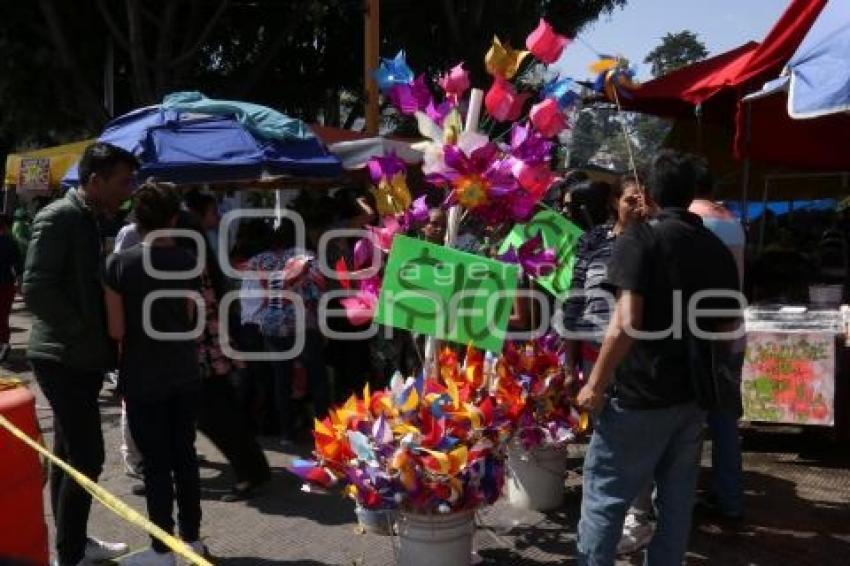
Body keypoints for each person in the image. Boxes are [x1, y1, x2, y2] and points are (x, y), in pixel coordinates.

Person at [575, 151, 740, 566]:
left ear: (647, 193)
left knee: (605, 498)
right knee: (676, 501)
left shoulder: (641, 238)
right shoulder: (713, 247)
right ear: (693, 195)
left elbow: (626, 321)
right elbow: (724, 325)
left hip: (639, 393)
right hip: (691, 395)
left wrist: (594, 383)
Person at [23, 142, 138, 566]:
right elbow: (35, 288)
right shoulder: (60, 217)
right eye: (123, 182)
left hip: (81, 356)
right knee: (87, 457)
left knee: (69, 457)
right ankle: (70, 554)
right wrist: (83, 330)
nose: (130, 189)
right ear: (94, 180)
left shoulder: (91, 219)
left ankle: (71, 545)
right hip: (62, 357)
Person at [104, 183, 207, 566]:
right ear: (173, 219)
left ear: (135, 218)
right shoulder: (187, 260)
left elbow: (116, 331)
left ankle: (162, 549)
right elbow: (193, 322)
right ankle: (193, 540)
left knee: (156, 466)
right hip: (183, 370)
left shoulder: (118, 265)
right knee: (186, 457)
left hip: (142, 374)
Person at [561, 175, 654, 555]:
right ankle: (608, 518)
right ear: (615, 201)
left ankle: (637, 516)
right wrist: (569, 363)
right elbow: (574, 297)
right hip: (592, 352)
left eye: (643, 200)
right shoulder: (594, 240)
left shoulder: (653, 240)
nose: (637, 206)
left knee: (638, 439)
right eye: (630, 199)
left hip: (638, 357)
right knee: (606, 437)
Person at [181, 193, 272, 502]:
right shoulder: (200, 259)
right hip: (208, 344)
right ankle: (254, 470)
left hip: (202, 348)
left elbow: (193, 310)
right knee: (217, 413)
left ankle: (252, 473)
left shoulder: (189, 265)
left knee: (215, 415)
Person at [689, 159, 746, 523]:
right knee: (726, 421)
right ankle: (731, 499)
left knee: (691, 421)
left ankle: (681, 497)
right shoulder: (731, 220)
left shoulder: (694, 219)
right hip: (734, 330)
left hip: (702, 336)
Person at [244, 219, 329, 449]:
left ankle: (287, 434)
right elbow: (318, 292)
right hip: (303, 325)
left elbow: (249, 301)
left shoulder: (258, 261)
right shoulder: (308, 259)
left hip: (272, 327)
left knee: (281, 379)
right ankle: (324, 431)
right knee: (317, 377)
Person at [0, 215, 23, 362]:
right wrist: (19, 284)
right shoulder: (10, 242)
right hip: (6, 284)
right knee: (3, 315)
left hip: (5, 284)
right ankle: (3, 343)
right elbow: (18, 266)